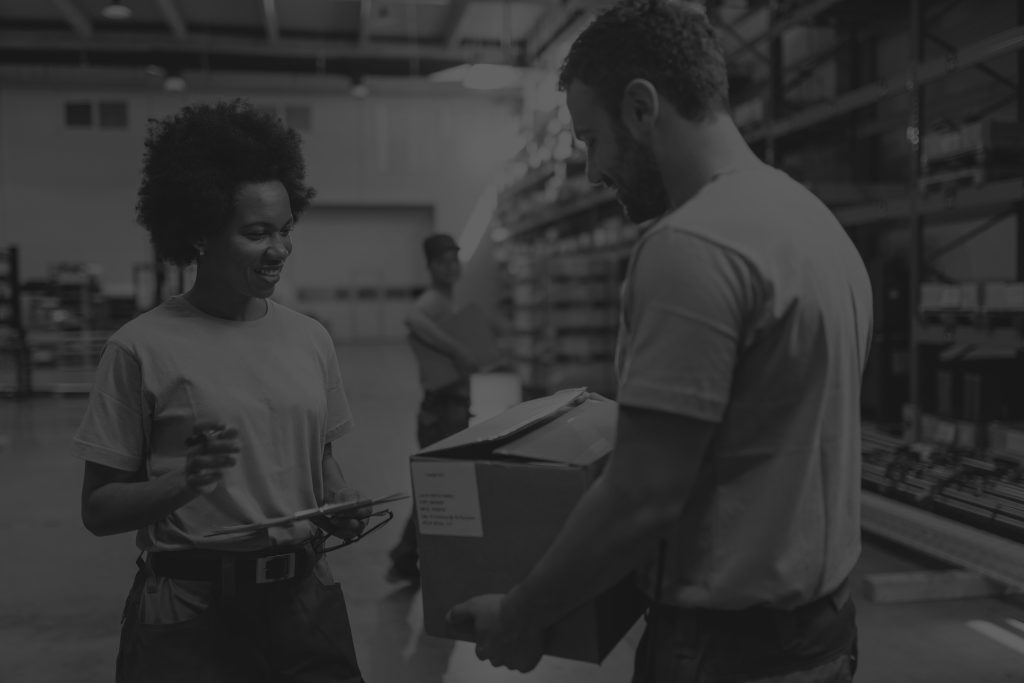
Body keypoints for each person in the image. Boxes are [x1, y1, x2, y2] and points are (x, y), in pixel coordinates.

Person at [449, 1, 872, 681]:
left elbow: (642, 497)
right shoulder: (814, 223)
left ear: (643, 108)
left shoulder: (690, 246)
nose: (589, 170)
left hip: (726, 654)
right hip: (823, 637)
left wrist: (522, 612)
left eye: (590, 138)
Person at [74, 99, 368, 682]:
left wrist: (338, 502)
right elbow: (98, 509)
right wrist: (186, 482)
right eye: (257, 233)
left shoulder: (310, 339)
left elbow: (322, 456)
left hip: (305, 598)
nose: (279, 249)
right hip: (193, 614)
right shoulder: (140, 348)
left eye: (285, 229)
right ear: (202, 233)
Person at [387, 233, 480, 583]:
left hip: (452, 407)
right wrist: (458, 351)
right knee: (440, 488)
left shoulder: (447, 298)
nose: (450, 267)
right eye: (443, 261)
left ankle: (408, 558)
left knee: (441, 486)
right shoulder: (431, 300)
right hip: (441, 410)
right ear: (429, 267)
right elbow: (413, 318)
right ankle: (407, 557)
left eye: (454, 260)